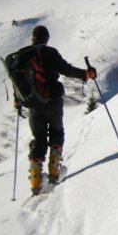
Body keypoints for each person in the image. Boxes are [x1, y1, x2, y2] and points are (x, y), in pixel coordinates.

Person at [15, 25, 96, 193]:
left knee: (39, 138)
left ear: (33, 38)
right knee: (57, 133)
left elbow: (18, 82)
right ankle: (54, 172)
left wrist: (18, 101)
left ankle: (35, 182)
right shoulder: (50, 53)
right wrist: (86, 74)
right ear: (46, 38)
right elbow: (66, 69)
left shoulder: (23, 55)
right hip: (53, 101)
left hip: (34, 104)